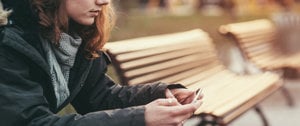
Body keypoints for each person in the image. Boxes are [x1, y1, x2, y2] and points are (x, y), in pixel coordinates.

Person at [0, 0, 203, 126]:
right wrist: (142, 118)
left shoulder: (70, 37)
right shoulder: (7, 42)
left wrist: (162, 94)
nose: (104, 1)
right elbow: (31, 123)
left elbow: (99, 97)